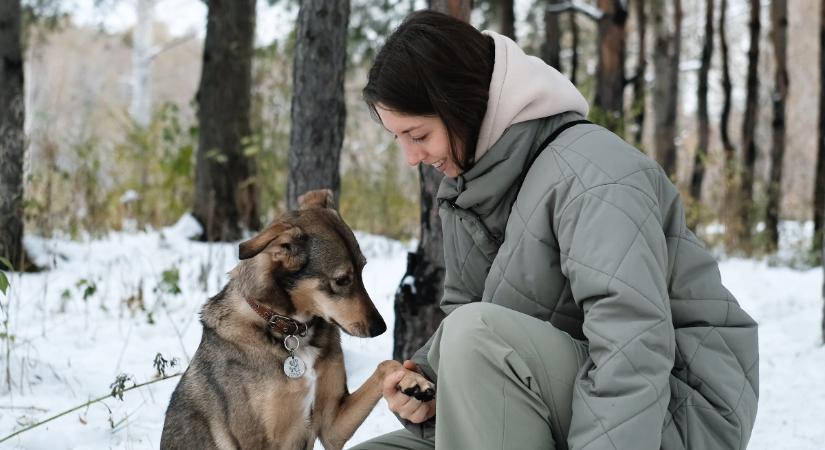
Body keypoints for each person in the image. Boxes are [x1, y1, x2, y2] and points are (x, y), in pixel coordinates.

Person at [352, 10, 758, 450]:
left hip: (672, 413)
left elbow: (632, 345)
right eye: (400, 140)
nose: (412, 158)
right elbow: (477, 334)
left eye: (419, 135)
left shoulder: (594, 173)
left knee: (476, 336)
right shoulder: (469, 191)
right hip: (557, 400)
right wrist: (429, 391)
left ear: (460, 106)